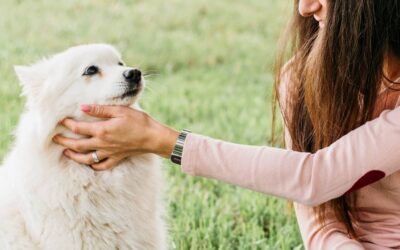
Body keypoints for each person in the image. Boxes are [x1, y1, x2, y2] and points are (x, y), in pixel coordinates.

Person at [53, 0, 400, 248]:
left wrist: (162, 139)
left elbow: (315, 178)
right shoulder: (300, 78)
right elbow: (319, 215)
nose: (305, 7)